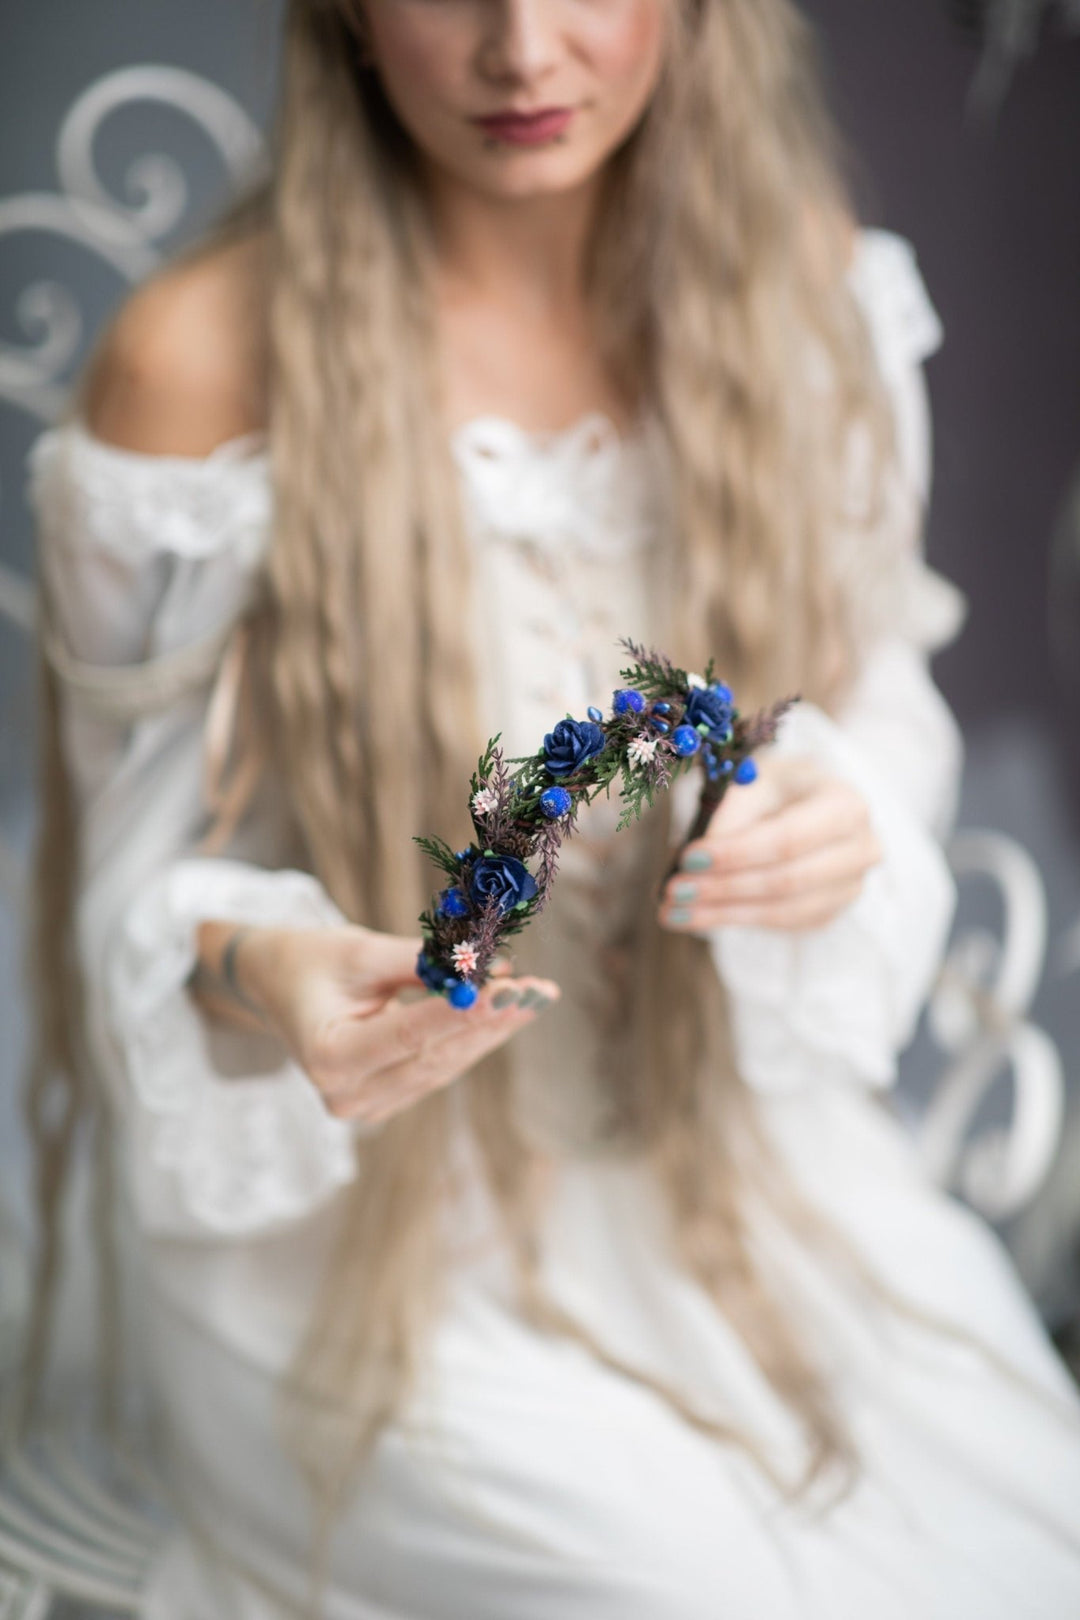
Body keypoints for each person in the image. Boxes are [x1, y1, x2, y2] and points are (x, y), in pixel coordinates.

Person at [21, 0, 1080, 1615]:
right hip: (348, 1226)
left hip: (725, 1155)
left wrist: (835, 807)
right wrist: (277, 977)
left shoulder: (796, 284)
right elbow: (135, 890)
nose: (525, 49)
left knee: (1014, 1537)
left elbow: (875, 691)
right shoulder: (200, 364)